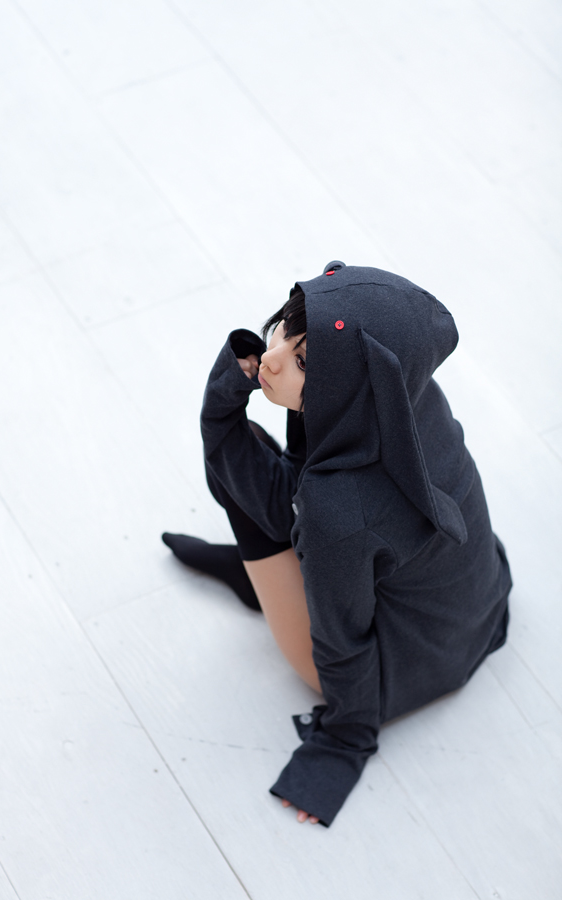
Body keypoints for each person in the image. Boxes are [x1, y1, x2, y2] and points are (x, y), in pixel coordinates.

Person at [163, 261, 512, 827]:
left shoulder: (339, 511)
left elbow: (341, 637)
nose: (271, 358)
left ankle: (264, 577)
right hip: (470, 617)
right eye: (285, 329)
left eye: (303, 360)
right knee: (282, 477)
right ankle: (267, 575)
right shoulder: (402, 396)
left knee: (240, 452)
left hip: (398, 669)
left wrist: (345, 738)